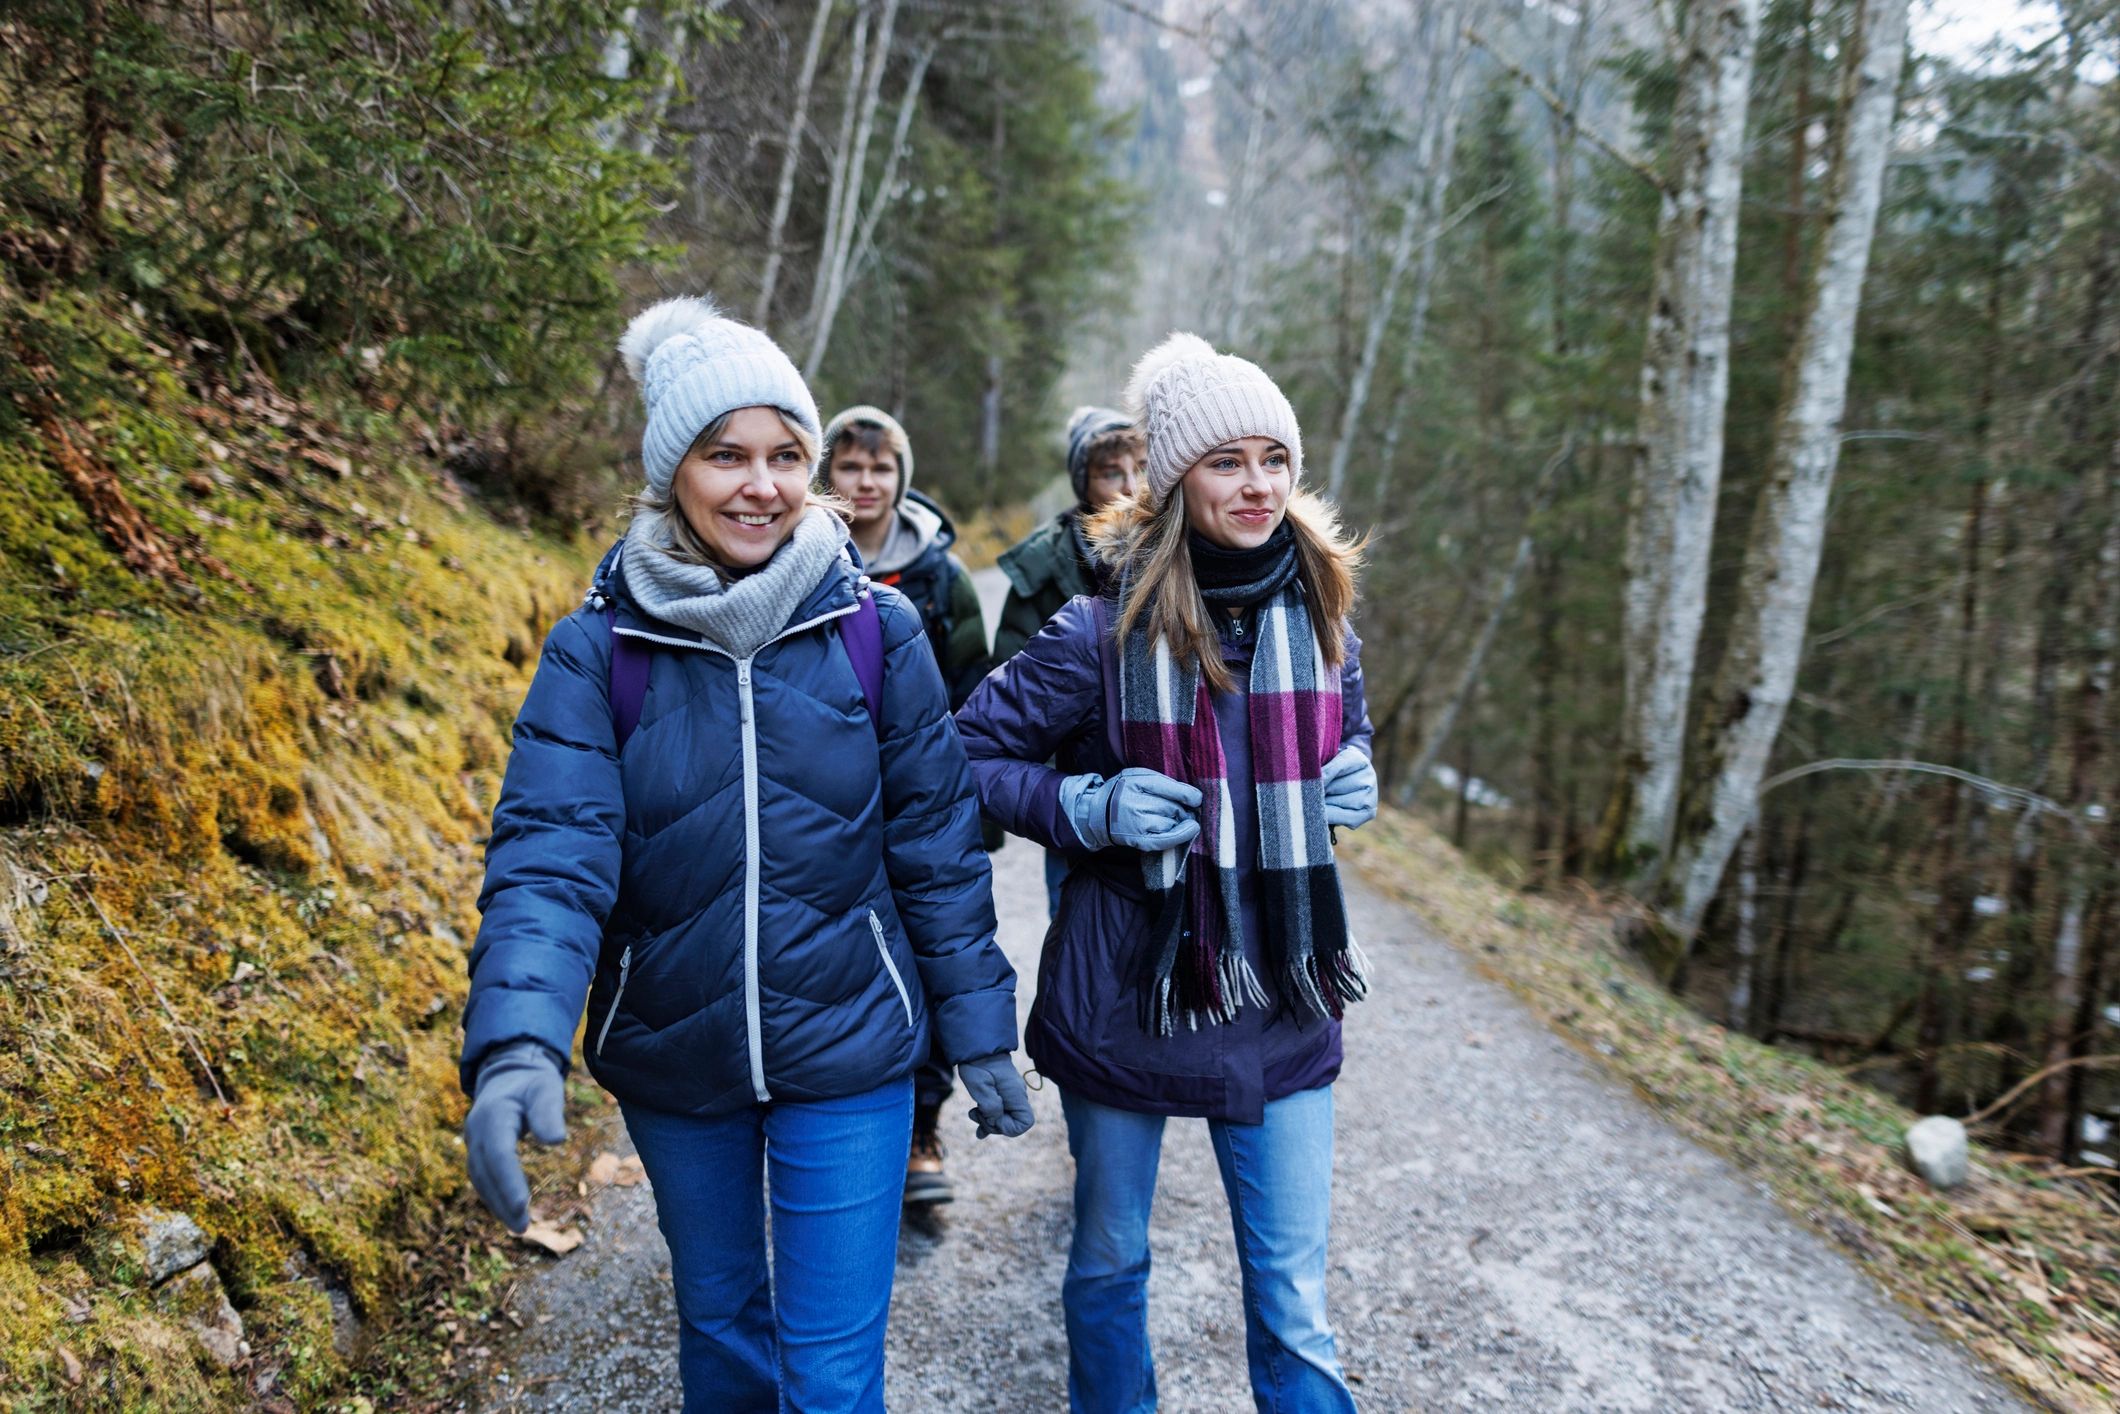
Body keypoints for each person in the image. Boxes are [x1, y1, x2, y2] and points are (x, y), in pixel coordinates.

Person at [459, 296, 1032, 1414]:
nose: (760, 486)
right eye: (726, 455)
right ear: (671, 470)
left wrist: (979, 1031)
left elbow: (936, 851)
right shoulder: (597, 653)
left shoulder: (877, 633)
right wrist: (517, 1041)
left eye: (784, 456)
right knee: (721, 1335)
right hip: (677, 1052)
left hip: (853, 1050)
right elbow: (550, 859)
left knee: (830, 1374)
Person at [956, 332, 1379, 1414]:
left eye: (1273, 460)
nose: (1257, 484)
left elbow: (1349, 730)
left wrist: (1353, 771)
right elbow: (964, 757)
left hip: (1283, 991)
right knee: (1109, 1261)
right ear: (1176, 479)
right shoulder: (1096, 634)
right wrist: (1083, 807)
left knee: (1292, 1297)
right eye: (1226, 461)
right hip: (1128, 985)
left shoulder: (1325, 618)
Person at [818, 403, 994, 1207]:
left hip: (916, 809)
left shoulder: (940, 578)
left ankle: (923, 1129)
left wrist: (969, 818)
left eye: (881, 468)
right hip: (827, 812)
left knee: (932, 960)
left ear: (902, 477)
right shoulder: (793, 557)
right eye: (850, 466)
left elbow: (976, 701)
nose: (866, 482)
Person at [993, 406, 1145, 916]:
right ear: (1084, 484)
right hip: (1082, 794)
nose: (1131, 486)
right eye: (1111, 473)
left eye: (1143, 468)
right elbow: (1011, 700)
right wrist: (1062, 795)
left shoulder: (1194, 548)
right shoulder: (1044, 565)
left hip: (1172, 787)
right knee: (1078, 924)